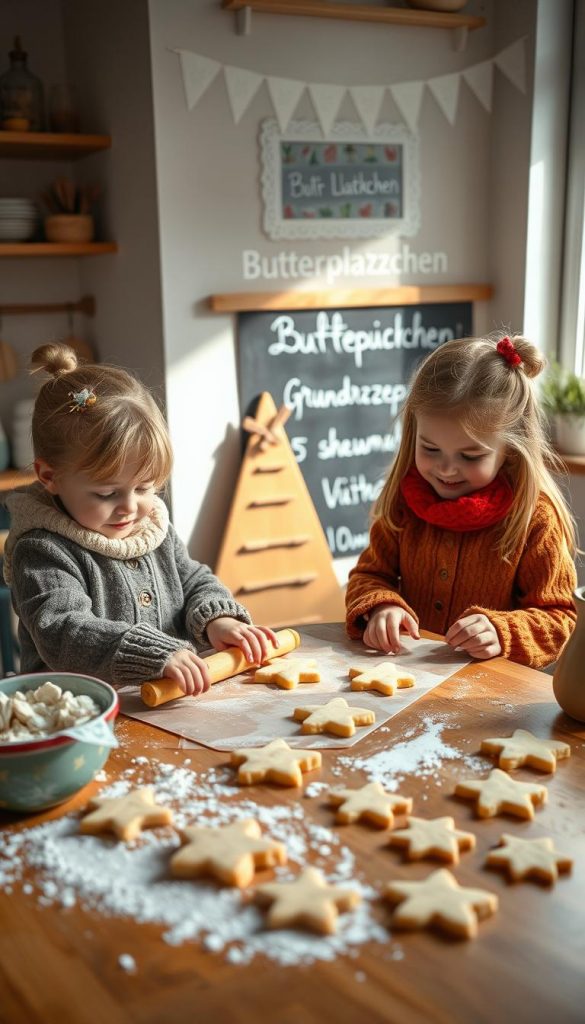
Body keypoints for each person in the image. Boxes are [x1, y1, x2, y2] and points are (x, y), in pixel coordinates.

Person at [3, 343, 278, 694]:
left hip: (166, 702)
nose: (130, 508)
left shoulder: (150, 528)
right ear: (49, 476)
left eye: (146, 487)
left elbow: (193, 579)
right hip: (84, 715)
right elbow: (64, 630)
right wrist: (152, 653)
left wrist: (217, 618)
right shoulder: (41, 550)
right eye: (106, 493)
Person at [345, 334, 577, 669]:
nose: (446, 468)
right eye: (430, 449)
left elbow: (560, 619)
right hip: (409, 686)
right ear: (413, 434)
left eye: (470, 455)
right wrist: (380, 606)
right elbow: (369, 575)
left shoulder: (534, 519)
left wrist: (503, 631)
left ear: (510, 452)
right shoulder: (404, 501)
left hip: (492, 701)